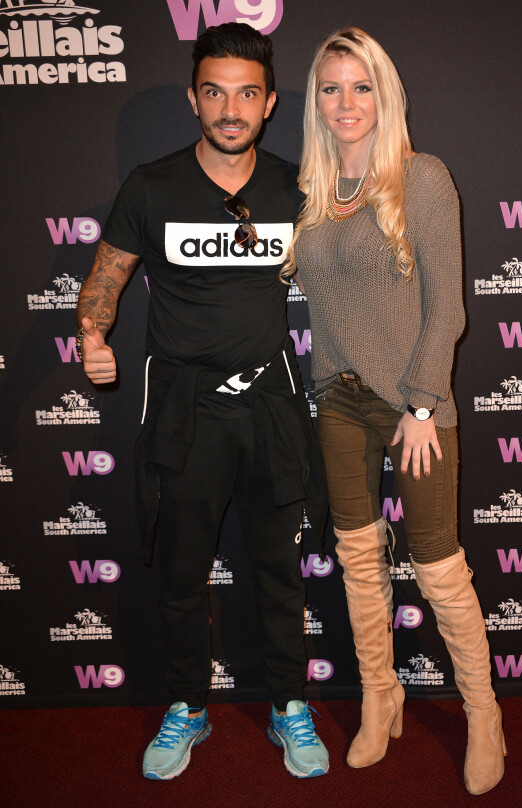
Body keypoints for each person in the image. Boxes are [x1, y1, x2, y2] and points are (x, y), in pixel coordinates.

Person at [75, 23, 329, 781]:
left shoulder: (297, 186)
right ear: (193, 99)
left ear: (269, 102)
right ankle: (187, 704)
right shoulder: (151, 186)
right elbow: (106, 275)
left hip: (273, 404)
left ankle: (290, 703)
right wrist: (91, 331)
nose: (230, 108)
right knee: (183, 575)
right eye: (214, 92)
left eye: (246, 93)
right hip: (186, 410)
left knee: (279, 572)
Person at [284, 27, 506, 795]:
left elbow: (448, 309)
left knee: (441, 568)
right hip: (336, 402)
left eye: (361, 85)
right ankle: (383, 698)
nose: (346, 102)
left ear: (386, 92)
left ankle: (485, 715)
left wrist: (419, 404)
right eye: (331, 87)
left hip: (415, 406)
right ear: (316, 101)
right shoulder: (313, 194)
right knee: (358, 561)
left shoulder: (422, 177)